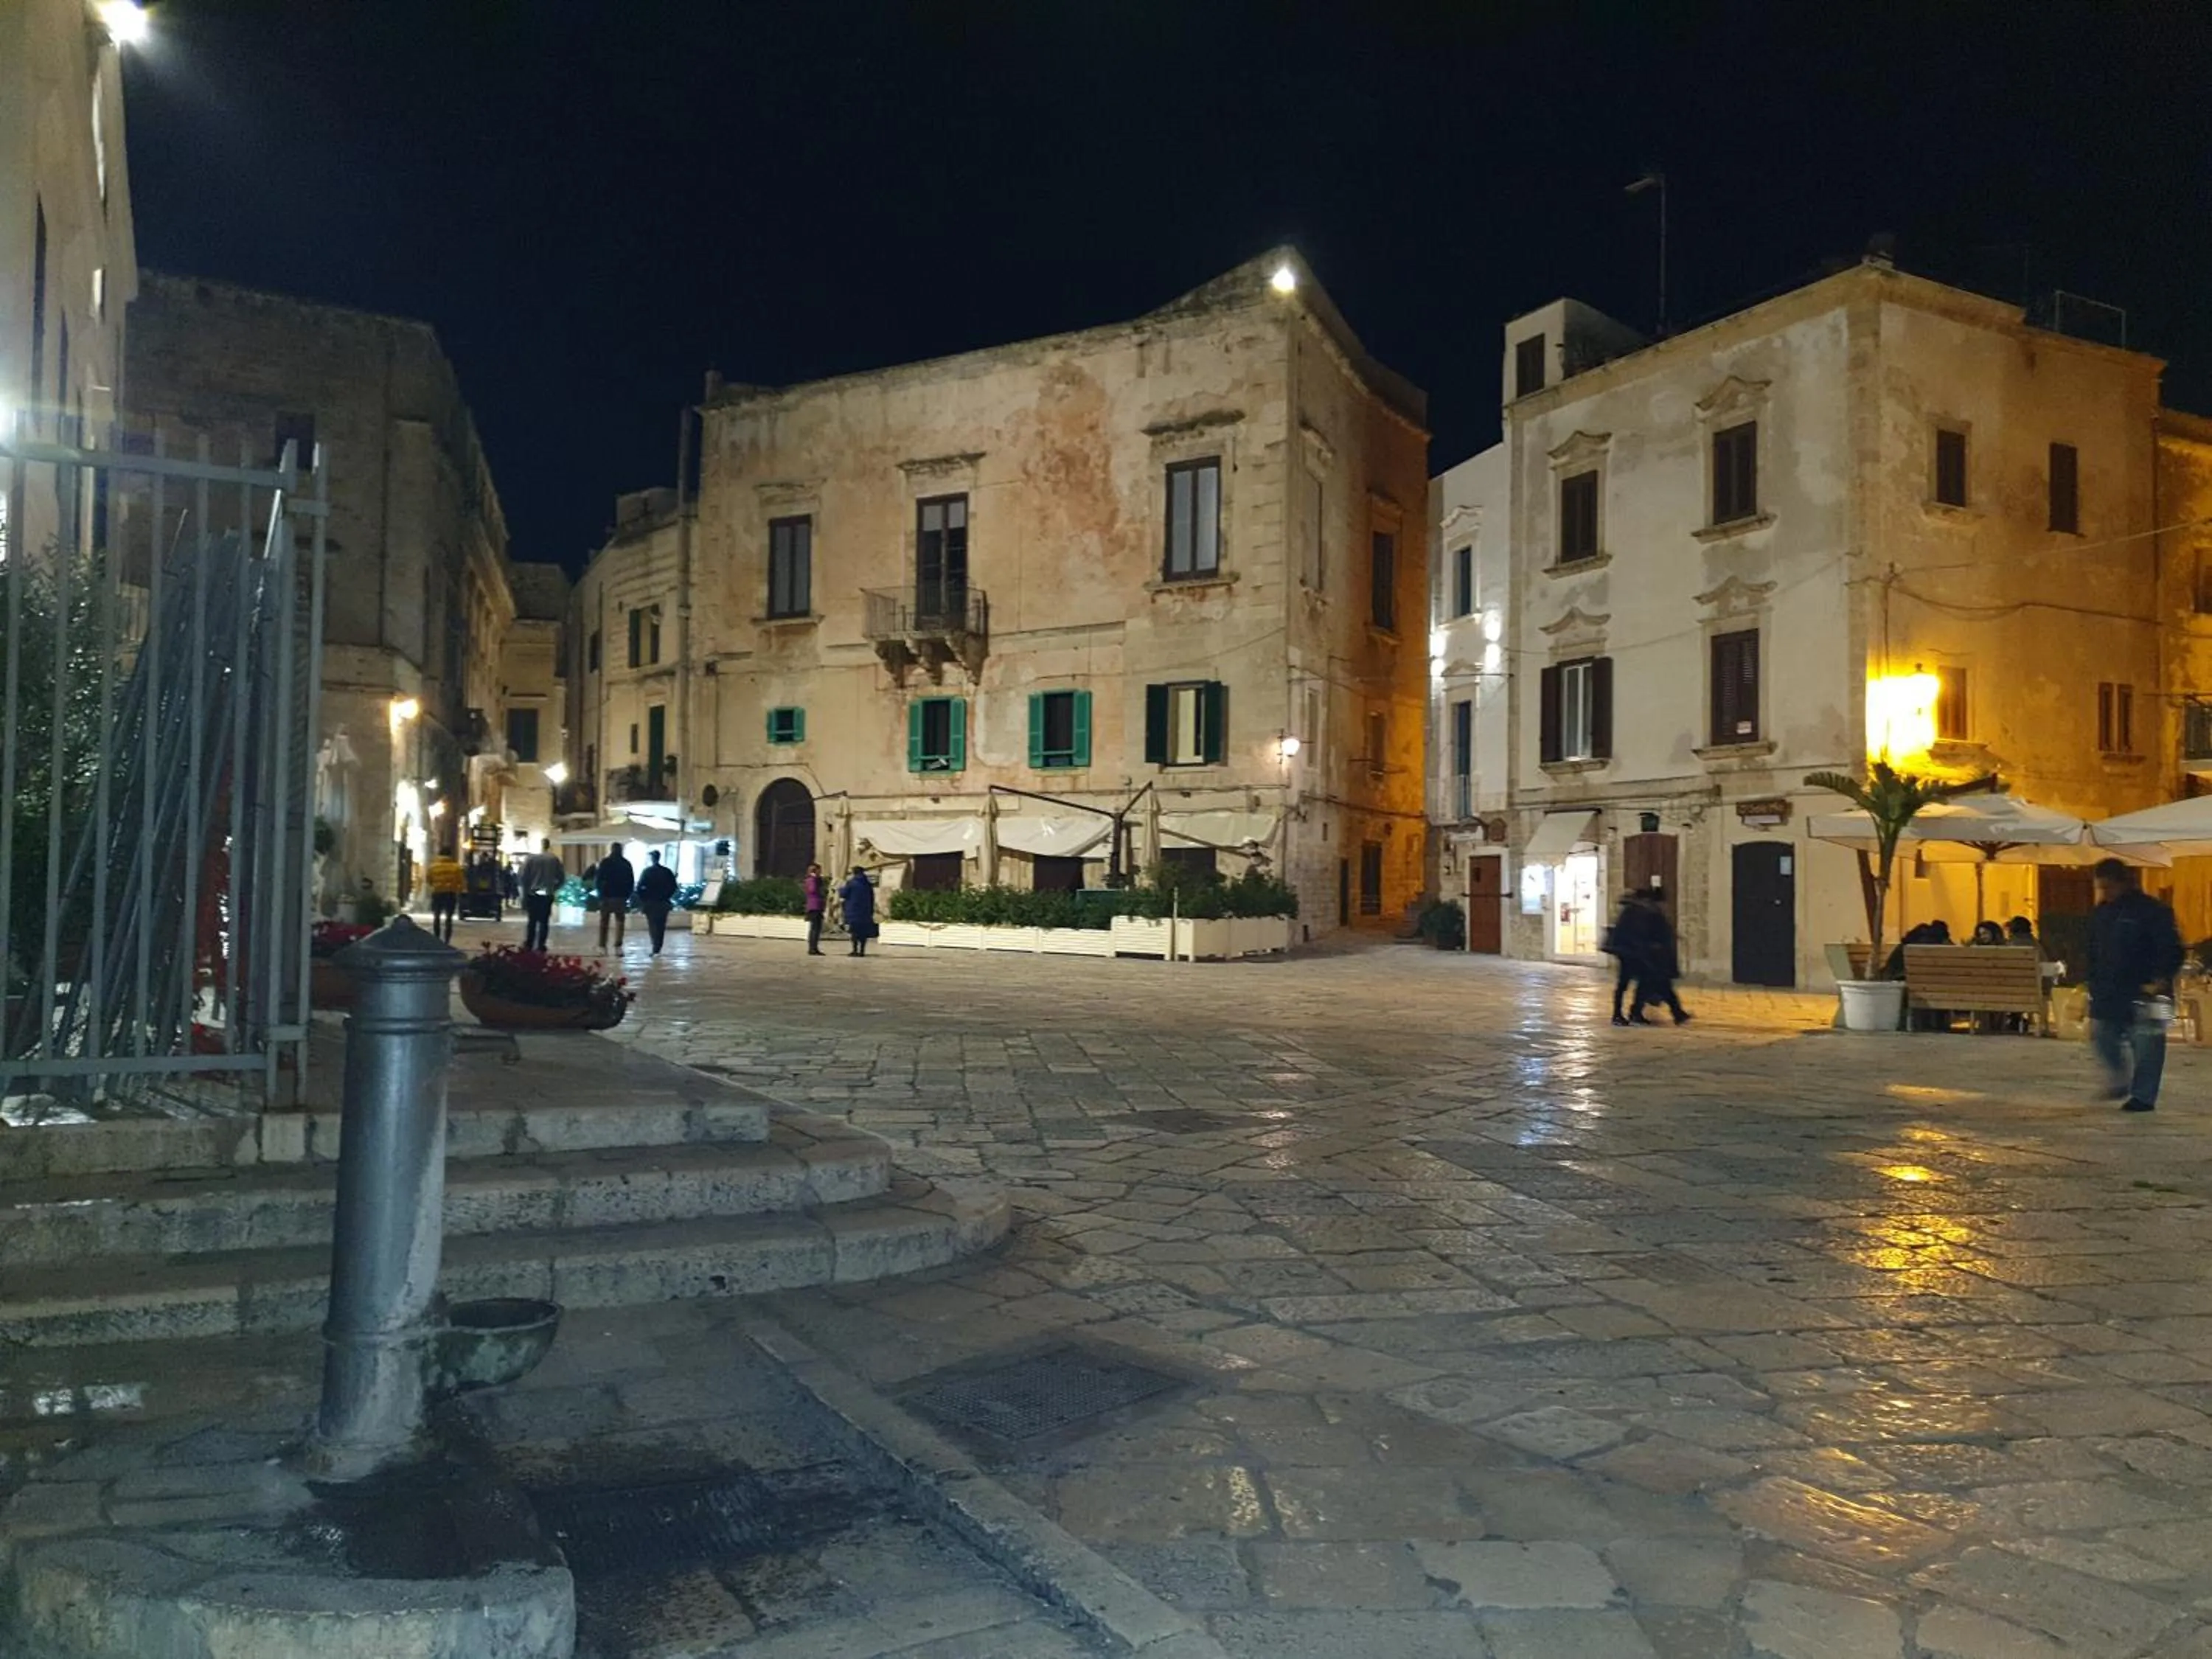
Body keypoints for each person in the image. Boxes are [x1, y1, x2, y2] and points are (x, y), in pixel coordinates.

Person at [2087, 858, 2184, 1113]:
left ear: (2124, 883)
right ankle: (2120, 1078)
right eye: (2100, 888)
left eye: (2108, 888)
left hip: (2153, 991)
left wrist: (2161, 978)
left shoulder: (2153, 911)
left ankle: (2143, 1096)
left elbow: (2173, 948)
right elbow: (2093, 950)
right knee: (2101, 1035)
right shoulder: (2102, 913)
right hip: (2110, 989)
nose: (2104, 894)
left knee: (2150, 1043)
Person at [1625, 888, 1691, 1026]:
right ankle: (1675, 1013)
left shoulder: (1651, 913)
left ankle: (1677, 1013)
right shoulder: (1649, 914)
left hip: (1654, 958)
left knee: (1658, 987)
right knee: (1653, 987)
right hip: (1654, 959)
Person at [518, 838, 566, 953]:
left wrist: (524, 894)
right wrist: (554, 888)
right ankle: (541, 944)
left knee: (532, 920)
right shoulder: (554, 859)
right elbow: (561, 878)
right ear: (549, 845)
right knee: (544, 921)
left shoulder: (530, 859)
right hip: (547, 893)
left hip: (533, 893)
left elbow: (523, 877)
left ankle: (529, 943)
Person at [635, 849, 678, 956]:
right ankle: (658, 945)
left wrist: (644, 899)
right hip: (663, 902)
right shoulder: (667, 872)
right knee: (661, 925)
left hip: (650, 902)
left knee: (652, 924)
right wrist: (667, 896)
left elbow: (640, 887)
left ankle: (655, 945)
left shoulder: (647, 872)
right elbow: (674, 887)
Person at [595, 843, 636, 951]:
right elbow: (631, 881)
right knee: (620, 921)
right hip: (620, 897)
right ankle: (618, 945)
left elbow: (598, 880)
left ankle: (602, 945)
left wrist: (601, 895)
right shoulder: (626, 864)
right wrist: (627, 895)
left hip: (607, 896)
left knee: (604, 922)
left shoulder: (605, 862)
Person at [425, 845, 465, 942]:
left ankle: (436, 938)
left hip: (438, 893)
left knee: (436, 916)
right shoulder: (456, 868)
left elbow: (428, 880)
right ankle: (447, 940)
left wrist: (436, 885)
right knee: (449, 918)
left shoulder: (433, 867)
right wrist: (457, 889)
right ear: (450, 855)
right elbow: (461, 882)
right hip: (450, 893)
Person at [839, 865, 877, 958]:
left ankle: (855, 950)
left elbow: (843, 894)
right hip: (865, 912)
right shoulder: (868, 884)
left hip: (853, 911)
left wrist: (840, 889)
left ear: (854, 873)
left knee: (854, 932)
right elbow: (872, 898)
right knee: (863, 932)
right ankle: (862, 951)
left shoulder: (851, 883)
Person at [803, 863, 827, 956]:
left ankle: (814, 947)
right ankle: (812, 948)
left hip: (816, 905)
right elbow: (812, 890)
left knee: (816, 928)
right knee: (815, 928)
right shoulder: (812, 880)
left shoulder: (811, 880)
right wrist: (818, 881)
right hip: (814, 906)